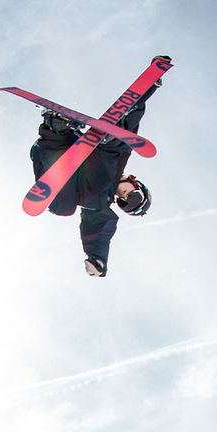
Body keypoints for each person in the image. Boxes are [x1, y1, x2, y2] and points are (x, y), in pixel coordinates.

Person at [29, 58, 168, 277]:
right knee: (122, 144)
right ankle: (90, 133)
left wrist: (97, 259)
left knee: (63, 209)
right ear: (135, 183)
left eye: (125, 204)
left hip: (55, 153)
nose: (124, 197)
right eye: (133, 196)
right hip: (91, 145)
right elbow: (133, 118)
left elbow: (98, 231)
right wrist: (150, 82)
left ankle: (55, 126)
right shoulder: (121, 157)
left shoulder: (100, 203)